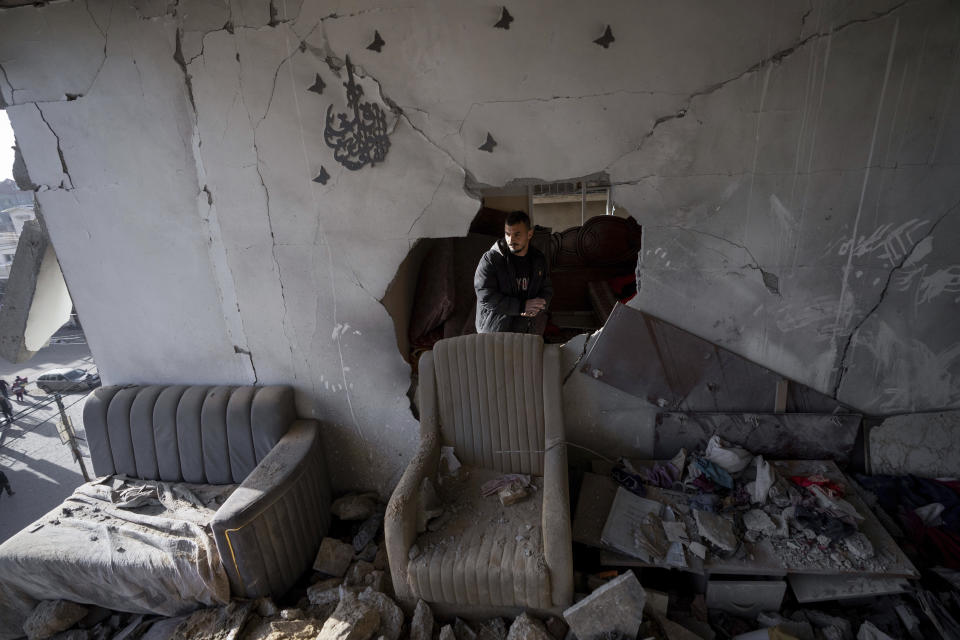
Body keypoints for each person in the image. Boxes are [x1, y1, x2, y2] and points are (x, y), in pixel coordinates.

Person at [474, 210, 553, 334]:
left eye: (517, 234)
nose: (511, 240)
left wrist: (540, 305)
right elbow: (486, 296)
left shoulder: (538, 259)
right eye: (507, 234)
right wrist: (522, 306)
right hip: (495, 331)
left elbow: (546, 289)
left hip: (527, 329)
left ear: (529, 234)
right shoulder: (491, 259)